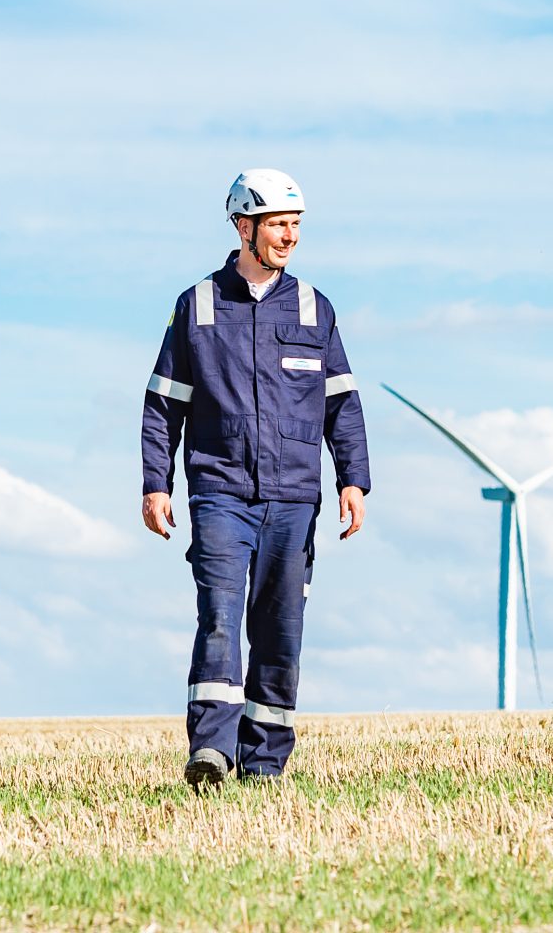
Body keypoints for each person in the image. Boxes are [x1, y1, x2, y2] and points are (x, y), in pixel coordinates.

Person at [141, 169, 371, 789]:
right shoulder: (197, 306)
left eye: (296, 225)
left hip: (295, 496)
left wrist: (354, 479)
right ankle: (212, 751)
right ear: (244, 226)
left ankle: (264, 763)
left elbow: (341, 402)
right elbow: (165, 403)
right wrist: (155, 483)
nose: (289, 237)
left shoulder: (313, 308)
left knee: (278, 627)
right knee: (219, 613)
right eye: (278, 224)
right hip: (219, 488)